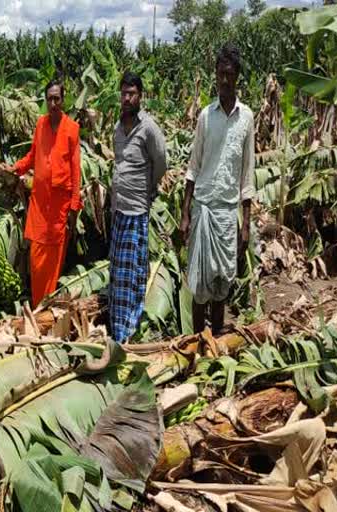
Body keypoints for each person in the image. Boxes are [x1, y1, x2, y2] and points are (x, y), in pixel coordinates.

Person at [180, 43, 255, 335]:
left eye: (229, 74)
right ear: (215, 75)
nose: (224, 80)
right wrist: (185, 213)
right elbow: (193, 167)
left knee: (222, 282)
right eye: (219, 74)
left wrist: (245, 223)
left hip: (226, 212)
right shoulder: (205, 116)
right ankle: (198, 341)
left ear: (236, 76)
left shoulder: (246, 118)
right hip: (203, 209)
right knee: (199, 284)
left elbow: (247, 175)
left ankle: (217, 341)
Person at [3, 80, 82, 307]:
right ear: (45, 101)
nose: (53, 103)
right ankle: (39, 306)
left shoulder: (72, 129)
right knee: (36, 262)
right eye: (49, 99)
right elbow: (31, 156)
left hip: (59, 207)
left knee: (53, 263)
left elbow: (76, 171)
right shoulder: (41, 125)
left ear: (63, 100)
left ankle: (47, 309)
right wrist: (15, 168)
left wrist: (73, 207)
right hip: (39, 204)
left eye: (57, 98)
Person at [108, 71, 167, 343]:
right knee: (118, 271)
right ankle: (116, 327)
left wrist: (149, 190)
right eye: (124, 93)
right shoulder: (118, 128)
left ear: (140, 96)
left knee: (132, 274)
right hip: (119, 209)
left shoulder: (149, 128)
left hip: (136, 210)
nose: (127, 98)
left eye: (132, 93)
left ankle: (128, 329)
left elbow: (161, 163)